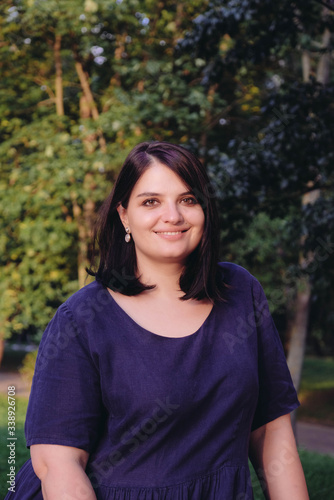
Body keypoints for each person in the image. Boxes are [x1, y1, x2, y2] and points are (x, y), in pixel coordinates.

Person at [6, 141, 309, 500]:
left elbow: (270, 431)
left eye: (188, 199)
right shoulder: (81, 320)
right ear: (124, 216)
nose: (173, 216)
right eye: (151, 202)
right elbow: (57, 464)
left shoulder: (241, 292)